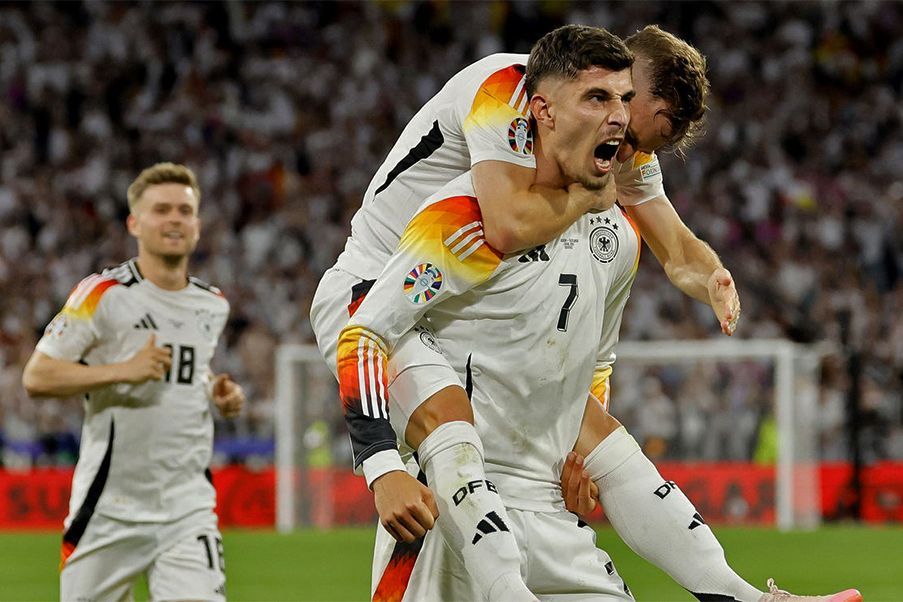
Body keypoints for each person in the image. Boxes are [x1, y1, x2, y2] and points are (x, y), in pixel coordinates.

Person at [334, 26, 861, 602]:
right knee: (448, 422)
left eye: (636, 136)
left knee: (588, 424)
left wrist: (711, 273)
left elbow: (663, 256)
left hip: (468, 319)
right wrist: (381, 466)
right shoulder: (505, 95)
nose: (627, 150)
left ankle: (738, 595)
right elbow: (504, 224)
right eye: (615, 113)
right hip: (374, 286)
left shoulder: (610, 190)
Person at [22, 163, 245, 601]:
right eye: (161, 210)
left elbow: (189, 369)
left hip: (187, 508)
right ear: (134, 224)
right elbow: (38, 376)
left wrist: (216, 391)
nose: (175, 219)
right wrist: (123, 370)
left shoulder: (212, 303)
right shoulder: (102, 294)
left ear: (197, 224)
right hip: (109, 508)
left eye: (184, 210)